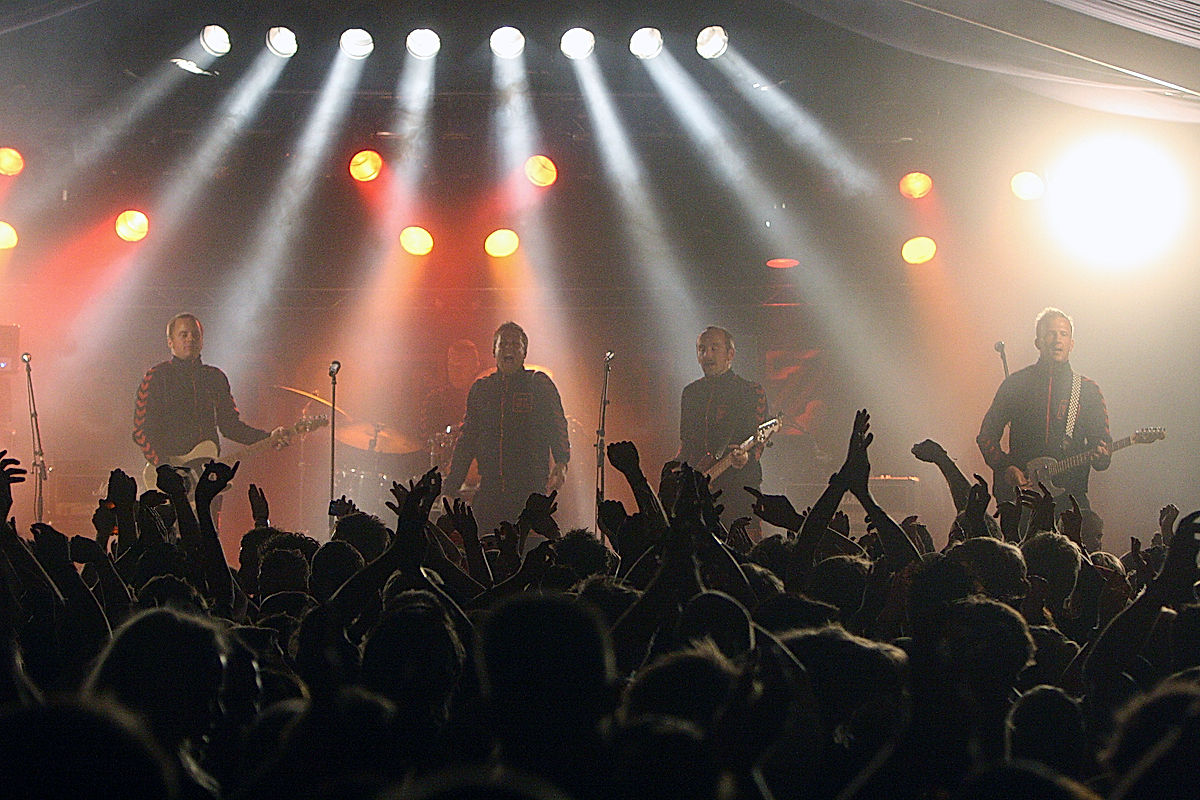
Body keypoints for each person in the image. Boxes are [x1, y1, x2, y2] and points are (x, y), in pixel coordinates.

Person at [133, 313, 289, 488]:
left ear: (202, 340)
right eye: (183, 335)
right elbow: (141, 431)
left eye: (195, 335)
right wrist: (164, 467)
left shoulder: (215, 378)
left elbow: (230, 426)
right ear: (170, 342)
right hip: (170, 480)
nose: (190, 339)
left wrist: (267, 438)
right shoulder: (156, 377)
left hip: (207, 477)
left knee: (210, 516)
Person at [977, 307, 1111, 508]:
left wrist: (1102, 456)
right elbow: (986, 436)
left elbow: (1102, 445)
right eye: (1051, 333)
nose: (1057, 339)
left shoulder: (1087, 390)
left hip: (1070, 500)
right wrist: (1006, 468)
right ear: (1038, 343)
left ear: (1071, 344)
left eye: (1063, 334)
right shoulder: (1016, 384)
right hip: (1023, 497)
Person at [446, 322, 570, 534]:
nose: (509, 349)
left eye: (515, 344)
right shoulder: (482, 389)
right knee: (485, 545)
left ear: (524, 352)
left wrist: (561, 461)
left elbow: (556, 423)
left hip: (529, 489)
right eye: (503, 345)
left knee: (529, 548)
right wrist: (450, 486)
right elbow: (468, 439)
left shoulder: (538, 384)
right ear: (494, 352)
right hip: (490, 488)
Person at [677, 326, 769, 532]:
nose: (706, 354)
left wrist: (747, 457)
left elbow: (758, 438)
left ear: (730, 354)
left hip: (738, 489)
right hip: (699, 489)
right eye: (701, 349)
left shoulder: (750, 391)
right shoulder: (691, 393)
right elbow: (686, 442)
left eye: (714, 348)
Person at [419, 339, 481, 475]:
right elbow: (428, 442)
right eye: (451, 366)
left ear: (475, 367)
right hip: (447, 472)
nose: (455, 372)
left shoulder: (487, 398)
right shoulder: (436, 399)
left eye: (461, 367)